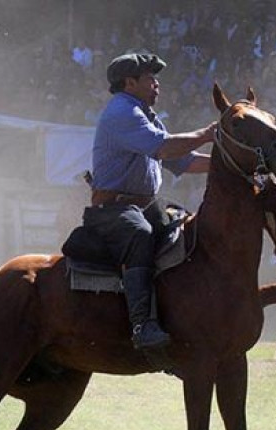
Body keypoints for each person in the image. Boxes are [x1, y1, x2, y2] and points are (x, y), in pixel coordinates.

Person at [85, 52, 215, 352]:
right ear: (129, 83)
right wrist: (207, 135)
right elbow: (165, 149)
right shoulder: (122, 112)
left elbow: (182, 161)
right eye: (150, 78)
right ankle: (142, 325)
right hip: (114, 210)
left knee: (186, 226)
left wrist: (228, 162)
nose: (157, 84)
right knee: (140, 234)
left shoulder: (141, 114)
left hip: (142, 206)